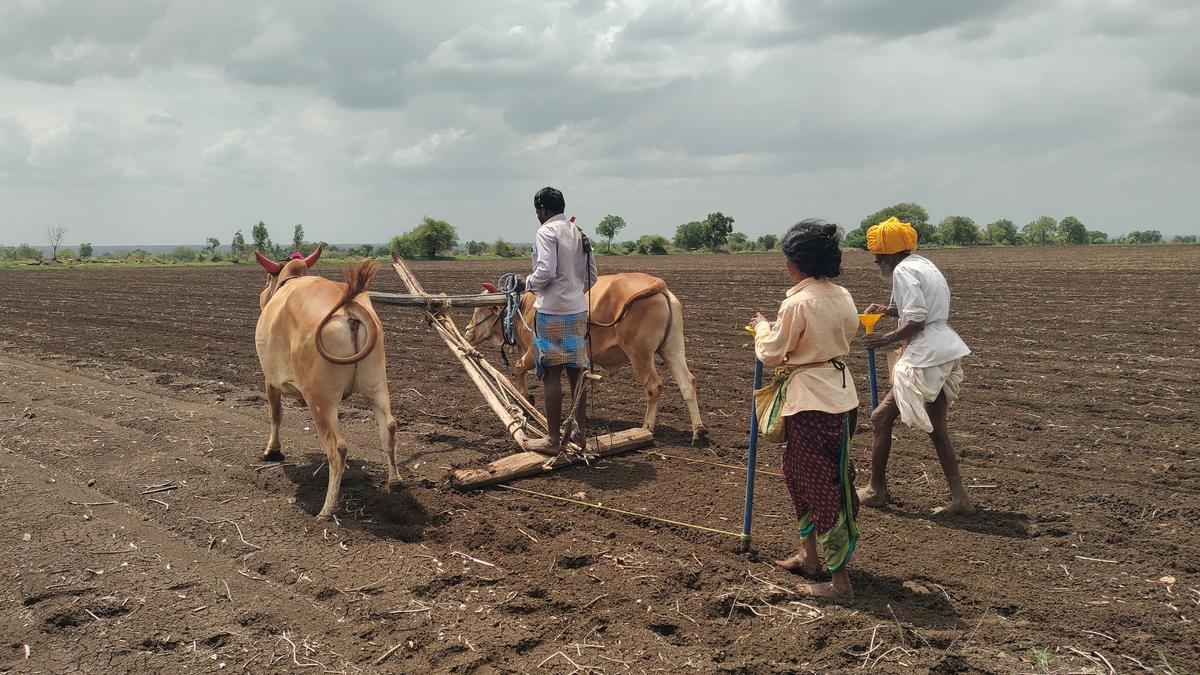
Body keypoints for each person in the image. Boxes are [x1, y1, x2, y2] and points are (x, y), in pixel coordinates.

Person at [750, 219, 861, 599]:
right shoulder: (842, 295)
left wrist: (764, 328)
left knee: (818, 486)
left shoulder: (797, 302)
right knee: (804, 474)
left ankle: (839, 582)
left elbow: (772, 352)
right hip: (842, 396)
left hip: (811, 403)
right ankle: (808, 555)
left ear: (794, 262)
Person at [858, 216, 975, 515]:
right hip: (946, 347)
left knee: (880, 418)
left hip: (927, 353)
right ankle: (960, 498)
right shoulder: (924, 264)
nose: (875, 262)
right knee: (938, 428)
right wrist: (888, 310)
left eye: (878, 256)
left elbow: (917, 320)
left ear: (890, 254)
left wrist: (885, 338)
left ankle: (875, 489)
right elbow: (922, 308)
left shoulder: (902, 271)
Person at [521, 187, 598, 454]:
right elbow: (592, 276)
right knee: (577, 373)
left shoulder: (546, 232)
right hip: (578, 312)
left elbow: (545, 271)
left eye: (538, 212)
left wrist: (526, 283)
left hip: (551, 312)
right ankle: (580, 434)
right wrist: (574, 294)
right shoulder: (579, 233)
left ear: (542, 210)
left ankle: (553, 440)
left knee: (551, 374)